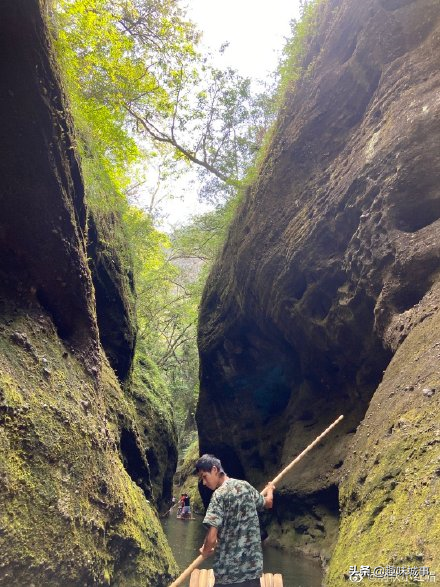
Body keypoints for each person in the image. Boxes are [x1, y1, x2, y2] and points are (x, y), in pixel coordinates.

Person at [195, 453, 275, 587]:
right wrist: (271, 488)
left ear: (215, 470)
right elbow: (268, 503)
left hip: (228, 575)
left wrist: (205, 549)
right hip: (252, 572)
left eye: (204, 476)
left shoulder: (218, 496)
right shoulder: (246, 487)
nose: (204, 482)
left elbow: (212, 538)